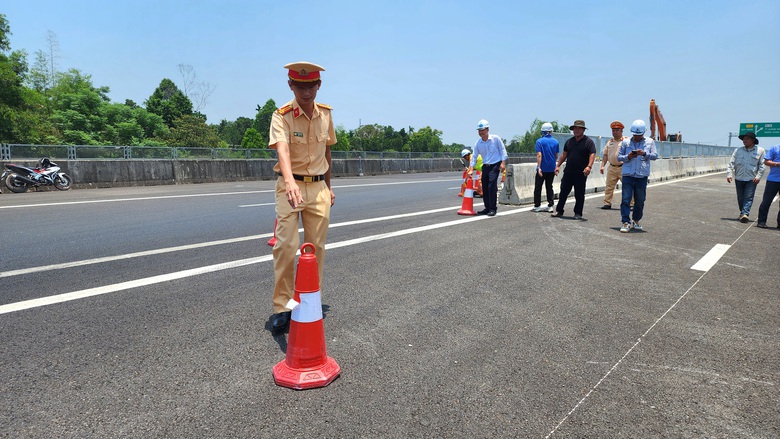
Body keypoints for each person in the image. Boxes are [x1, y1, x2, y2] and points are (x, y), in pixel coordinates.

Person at [267, 61, 336, 333]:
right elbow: (281, 150)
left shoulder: (326, 115)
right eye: (300, 86)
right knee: (285, 244)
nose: (306, 92)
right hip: (290, 186)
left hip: (318, 187)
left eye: (311, 86)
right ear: (290, 85)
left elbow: (328, 151)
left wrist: (329, 186)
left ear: (318, 85)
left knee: (316, 248)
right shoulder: (281, 115)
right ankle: (283, 306)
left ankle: (308, 302)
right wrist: (288, 182)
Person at [617, 120, 658, 233]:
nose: (637, 137)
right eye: (635, 135)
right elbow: (619, 157)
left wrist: (644, 154)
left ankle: (636, 220)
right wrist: (628, 156)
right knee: (626, 199)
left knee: (640, 200)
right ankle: (625, 222)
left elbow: (655, 156)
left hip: (641, 175)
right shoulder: (625, 142)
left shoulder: (650, 142)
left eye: (639, 135)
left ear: (643, 133)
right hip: (628, 175)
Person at [551, 120, 596, 220]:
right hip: (568, 172)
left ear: (583, 130)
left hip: (581, 173)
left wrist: (589, 166)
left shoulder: (588, 142)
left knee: (579, 194)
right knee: (563, 192)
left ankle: (578, 213)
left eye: (579, 128)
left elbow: (592, 154)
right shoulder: (569, 141)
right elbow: (564, 155)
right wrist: (557, 165)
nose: (577, 130)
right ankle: (559, 210)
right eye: (575, 128)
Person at [468, 119, 507, 216]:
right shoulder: (478, 143)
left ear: (487, 129)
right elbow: (474, 156)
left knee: (491, 186)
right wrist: (471, 168)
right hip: (485, 166)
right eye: (479, 130)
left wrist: (503, 163)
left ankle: (493, 208)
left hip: (495, 164)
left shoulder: (495, 139)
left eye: (482, 130)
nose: (480, 132)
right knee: (484, 187)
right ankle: (487, 207)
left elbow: (503, 150)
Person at [726, 131, 765, 222]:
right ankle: (742, 213)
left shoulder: (760, 150)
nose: (744, 140)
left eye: (747, 139)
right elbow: (731, 163)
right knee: (740, 198)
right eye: (744, 139)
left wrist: (758, 176)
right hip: (739, 178)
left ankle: (745, 214)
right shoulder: (738, 150)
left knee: (748, 197)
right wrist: (729, 174)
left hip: (751, 178)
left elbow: (762, 165)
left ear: (753, 140)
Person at [599, 121, 629, 209]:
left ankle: (631, 203)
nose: (614, 132)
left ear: (621, 131)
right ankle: (607, 203)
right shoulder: (609, 142)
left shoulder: (626, 141)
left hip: (623, 167)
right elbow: (605, 155)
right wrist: (602, 166)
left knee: (627, 186)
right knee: (609, 186)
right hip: (612, 167)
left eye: (617, 130)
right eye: (613, 130)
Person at [532, 122, 559, 212]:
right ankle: (550, 205)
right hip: (551, 168)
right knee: (549, 186)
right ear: (551, 131)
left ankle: (537, 206)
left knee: (538, 187)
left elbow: (539, 155)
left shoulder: (539, 141)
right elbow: (556, 155)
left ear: (542, 132)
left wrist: (539, 167)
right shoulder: (555, 142)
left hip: (542, 168)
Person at [756, 142, 780, 229]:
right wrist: (777, 164)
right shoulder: (775, 148)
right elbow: (766, 161)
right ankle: (761, 221)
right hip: (773, 180)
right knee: (766, 201)